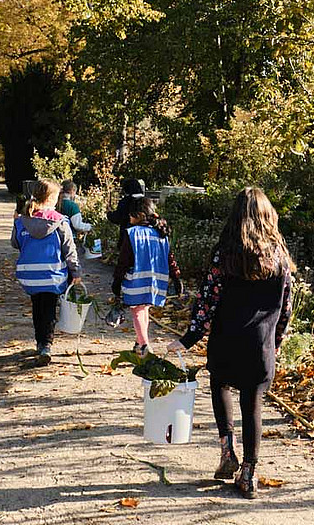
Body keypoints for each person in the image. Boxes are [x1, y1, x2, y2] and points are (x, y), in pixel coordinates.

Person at [167, 187, 293, 499]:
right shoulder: (280, 256)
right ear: (268, 216)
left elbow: (207, 301)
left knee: (220, 384)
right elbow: (286, 306)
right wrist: (275, 342)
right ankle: (249, 472)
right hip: (260, 345)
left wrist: (188, 338)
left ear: (236, 217)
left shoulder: (225, 254)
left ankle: (227, 453)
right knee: (253, 403)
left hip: (226, 340)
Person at [11, 179, 82, 366]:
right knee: (49, 309)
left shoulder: (22, 220)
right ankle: (46, 345)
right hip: (53, 275)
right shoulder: (59, 221)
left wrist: (16, 224)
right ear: (52, 198)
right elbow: (69, 249)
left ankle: (40, 341)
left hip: (30, 276)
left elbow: (15, 243)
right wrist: (75, 272)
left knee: (37, 307)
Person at [112, 196, 183, 356]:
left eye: (130, 214)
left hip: (136, 279)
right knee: (144, 310)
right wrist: (176, 277)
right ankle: (139, 342)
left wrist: (117, 280)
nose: (129, 217)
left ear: (138, 214)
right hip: (156, 280)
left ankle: (145, 346)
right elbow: (170, 257)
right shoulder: (160, 233)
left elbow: (124, 260)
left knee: (137, 311)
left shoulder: (132, 234)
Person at [107, 178, 145, 248]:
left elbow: (117, 218)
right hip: (145, 237)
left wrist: (109, 213)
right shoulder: (147, 201)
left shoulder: (125, 201)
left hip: (127, 237)